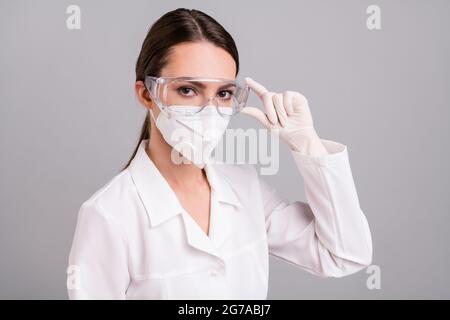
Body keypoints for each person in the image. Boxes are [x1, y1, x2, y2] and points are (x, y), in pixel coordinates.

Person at [66, 8, 372, 300]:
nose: (209, 110)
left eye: (223, 93)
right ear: (146, 94)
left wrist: (308, 145)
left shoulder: (244, 188)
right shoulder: (108, 216)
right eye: (188, 89)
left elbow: (344, 255)